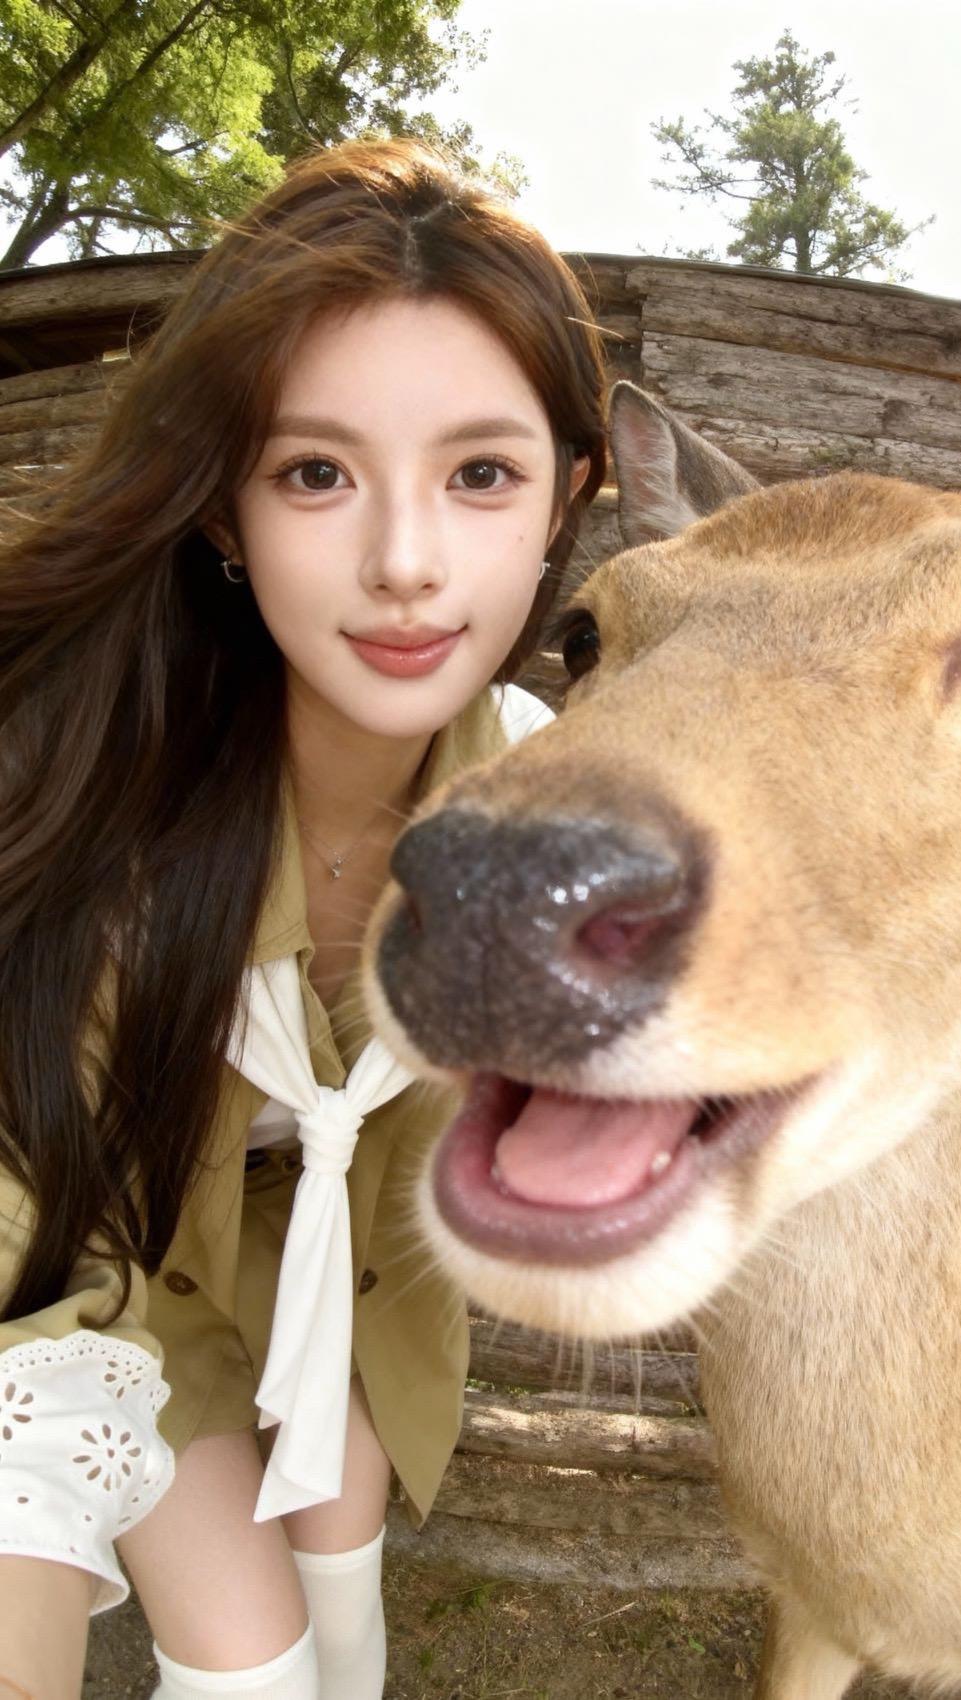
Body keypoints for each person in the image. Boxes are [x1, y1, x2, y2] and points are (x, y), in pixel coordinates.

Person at [0, 139, 606, 1700]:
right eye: (315, 473)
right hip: (88, 1257)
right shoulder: (84, 785)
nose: (405, 565)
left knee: (342, 1604)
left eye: (481, 475)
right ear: (223, 507)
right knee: (252, 1664)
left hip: (335, 1278)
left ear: (566, 499)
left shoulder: (544, 798)